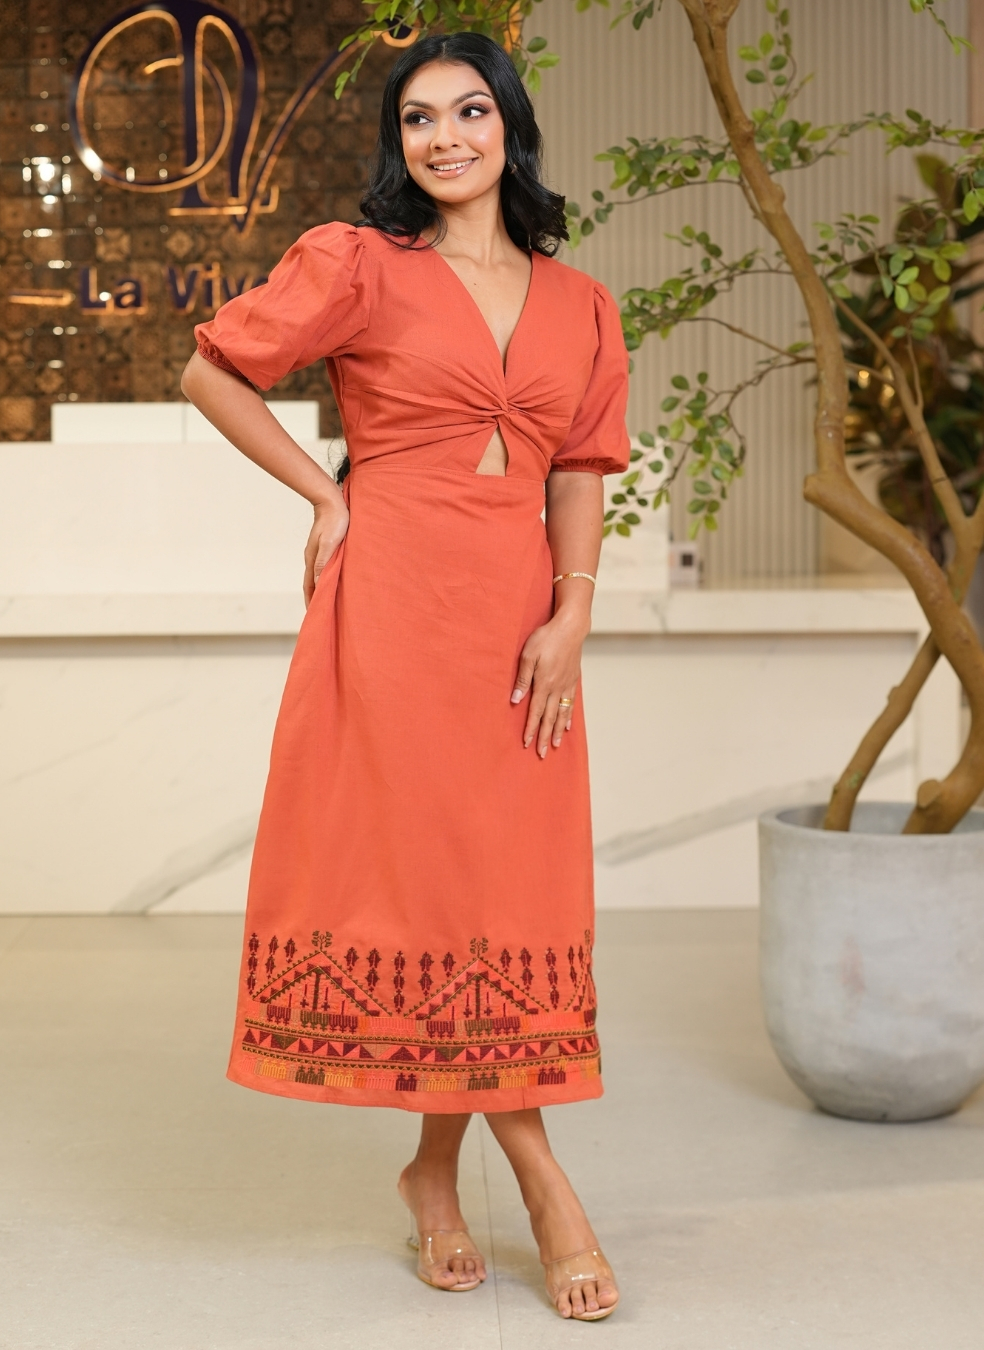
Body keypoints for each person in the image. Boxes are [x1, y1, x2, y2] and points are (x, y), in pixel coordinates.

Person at [182, 31, 628, 1322]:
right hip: (393, 612)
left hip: (519, 618)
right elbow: (212, 369)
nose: (445, 137)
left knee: (495, 891)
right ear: (398, 142)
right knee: (430, 880)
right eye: (419, 118)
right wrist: (327, 494)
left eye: (470, 111)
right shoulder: (361, 263)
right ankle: (545, 1183)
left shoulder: (583, 302)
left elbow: (581, 468)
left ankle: (433, 1173)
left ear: (511, 129)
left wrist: (574, 609)